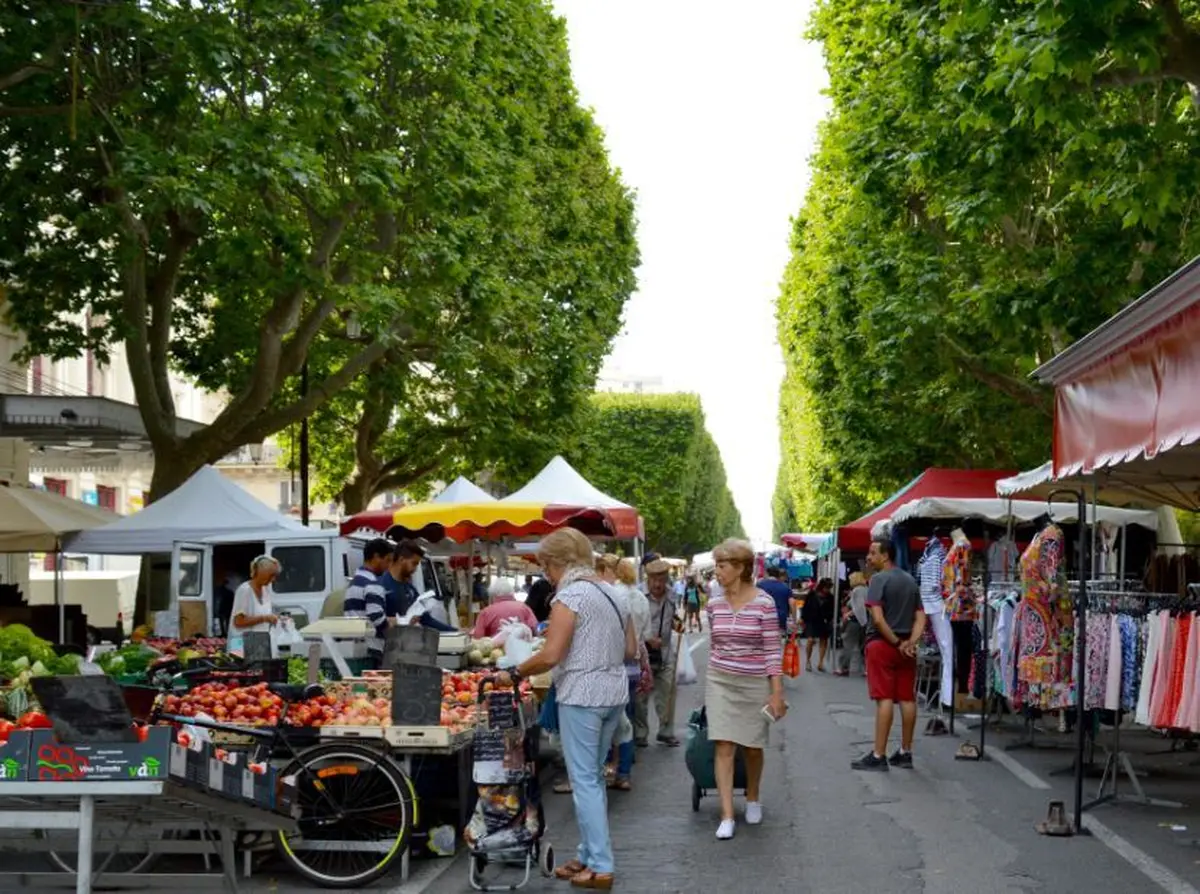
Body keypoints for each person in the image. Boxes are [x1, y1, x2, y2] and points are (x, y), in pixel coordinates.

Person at [515, 529, 637, 890]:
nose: (546, 576)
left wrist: (514, 671)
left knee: (584, 780)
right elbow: (631, 650)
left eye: (545, 568)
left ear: (556, 563)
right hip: (614, 692)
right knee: (594, 778)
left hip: (582, 694)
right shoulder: (613, 593)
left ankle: (600, 864)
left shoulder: (569, 596)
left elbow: (551, 655)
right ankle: (587, 853)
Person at [706, 539, 786, 840]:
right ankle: (727, 814)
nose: (717, 572)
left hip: (753, 682)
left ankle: (752, 796)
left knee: (753, 746)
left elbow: (771, 652)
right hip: (720, 680)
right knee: (723, 745)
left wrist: (776, 692)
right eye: (716, 565)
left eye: (722, 566)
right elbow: (715, 643)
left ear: (740, 568)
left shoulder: (764, 604)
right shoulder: (713, 604)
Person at [852, 537, 926, 771]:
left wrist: (895, 642)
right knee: (907, 697)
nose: (869, 557)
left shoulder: (878, 580)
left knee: (884, 699)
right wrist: (910, 642)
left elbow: (877, 617)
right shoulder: (910, 580)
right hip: (907, 648)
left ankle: (878, 754)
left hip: (883, 645)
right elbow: (921, 616)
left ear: (885, 556)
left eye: (873, 553)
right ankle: (905, 751)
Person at [636, 558, 682, 747]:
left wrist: (677, 624)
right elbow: (631, 624)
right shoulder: (637, 595)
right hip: (643, 651)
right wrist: (647, 638)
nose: (657, 584)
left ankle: (665, 731)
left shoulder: (672, 595)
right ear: (648, 578)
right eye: (654, 580)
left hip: (665, 650)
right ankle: (640, 733)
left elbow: (672, 617)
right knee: (641, 695)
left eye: (661, 580)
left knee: (668, 692)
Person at [382, 540, 456, 632]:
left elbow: (426, 620)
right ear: (401, 560)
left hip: (405, 643)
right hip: (383, 644)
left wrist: (456, 631)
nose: (415, 569)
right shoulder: (381, 584)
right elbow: (375, 620)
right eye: (414, 563)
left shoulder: (410, 589)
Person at [343, 538, 392, 663]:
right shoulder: (373, 584)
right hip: (372, 649)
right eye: (387, 560)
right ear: (376, 557)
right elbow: (376, 618)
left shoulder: (353, 583)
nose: (388, 566)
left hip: (354, 646)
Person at [228, 555, 281, 643]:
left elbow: (265, 614)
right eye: (271, 575)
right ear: (261, 572)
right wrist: (265, 618)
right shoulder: (245, 590)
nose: (273, 579)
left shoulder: (265, 590)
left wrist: (276, 618)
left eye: (275, 576)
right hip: (240, 645)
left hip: (257, 644)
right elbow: (238, 621)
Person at [472, 578, 538, 639]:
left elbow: (478, 637)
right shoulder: (524, 607)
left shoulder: (486, 612)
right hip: (522, 648)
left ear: (492, 594)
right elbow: (534, 629)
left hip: (495, 650)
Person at [835, 571, 870, 676]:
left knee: (847, 645)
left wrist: (848, 614)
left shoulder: (857, 590)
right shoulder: (866, 589)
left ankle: (843, 668)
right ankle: (867, 669)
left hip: (855, 621)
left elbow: (859, 607)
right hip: (866, 622)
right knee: (864, 646)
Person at [801, 578, 835, 672]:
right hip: (811, 620)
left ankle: (820, 662)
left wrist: (830, 618)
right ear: (821, 587)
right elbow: (805, 606)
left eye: (829, 588)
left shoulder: (831, 597)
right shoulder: (812, 594)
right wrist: (803, 619)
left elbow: (833, 609)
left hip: (824, 620)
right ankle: (808, 661)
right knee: (810, 640)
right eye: (826, 587)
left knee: (823, 641)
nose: (827, 590)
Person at [756, 566, 793, 636]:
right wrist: (794, 619)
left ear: (767, 573)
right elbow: (792, 603)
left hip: (762, 618)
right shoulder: (785, 587)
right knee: (777, 642)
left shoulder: (760, 585)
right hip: (780, 618)